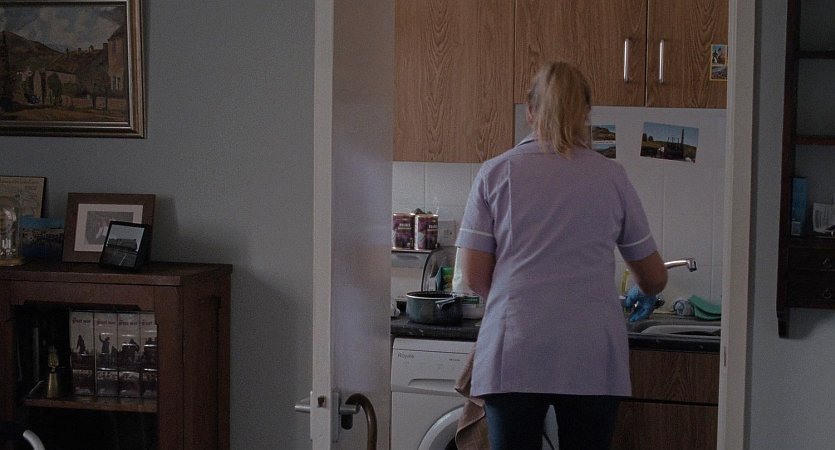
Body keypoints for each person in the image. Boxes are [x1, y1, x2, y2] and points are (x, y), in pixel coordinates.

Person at [455, 61, 667, 450]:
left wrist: (518, 296)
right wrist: (642, 290)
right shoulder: (612, 177)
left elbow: (473, 276)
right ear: (586, 112)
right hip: (591, 352)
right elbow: (654, 278)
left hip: (514, 346)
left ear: (530, 111)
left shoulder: (495, 173)